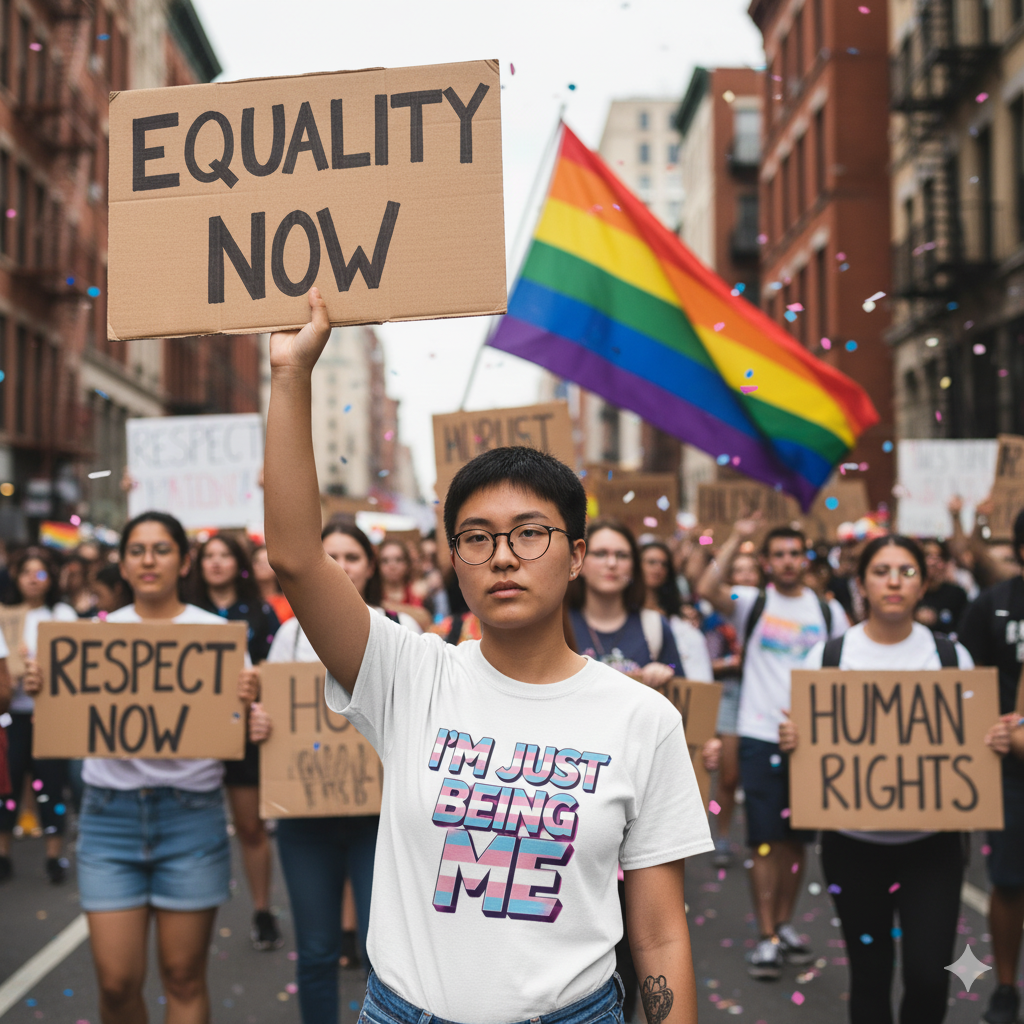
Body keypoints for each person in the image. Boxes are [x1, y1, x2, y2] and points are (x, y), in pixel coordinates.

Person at [263, 289, 712, 1024]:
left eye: (530, 533)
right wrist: (290, 376)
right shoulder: (409, 675)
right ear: (455, 561)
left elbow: (660, 935)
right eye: (477, 538)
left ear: (575, 556)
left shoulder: (644, 719)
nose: (503, 556)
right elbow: (296, 559)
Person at [21, 511, 258, 1024]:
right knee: (116, 984)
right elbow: (65, 716)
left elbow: (239, 729)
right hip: (109, 820)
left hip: (191, 818)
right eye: (137, 550)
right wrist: (45, 687)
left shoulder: (219, 637)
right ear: (123, 564)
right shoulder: (89, 638)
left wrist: (249, 707)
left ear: (184, 562)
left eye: (161, 549)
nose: (149, 560)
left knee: (184, 977)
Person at [780, 534, 1007, 1024]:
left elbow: (971, 740)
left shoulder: (951, 658)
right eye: (881, 571)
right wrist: (795, 738)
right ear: (861, 583)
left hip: (934, 847)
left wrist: (990, 740)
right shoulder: (827, 658)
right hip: (852, 847)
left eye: (906, 571)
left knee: (929, 976)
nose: (894, 582)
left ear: (924, 584)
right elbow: (808, 739)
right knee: (870, 975)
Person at [248, 521, 420, 1024]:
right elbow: (274, 706)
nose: (341, 567)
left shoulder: (401, 629)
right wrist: (261, 721)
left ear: (370, 566)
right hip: (306, 820)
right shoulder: (290, 634)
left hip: (380, 821)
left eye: (352, 556)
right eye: (331, 556)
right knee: (317, 951)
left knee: (383, 954)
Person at [698, 519, 848, 980]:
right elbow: (706, 588)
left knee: (797, 842)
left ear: (805, 559)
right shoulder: (752, 602)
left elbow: (846, 671)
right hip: (760, 734)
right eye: (778, 554)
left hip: (810, 739)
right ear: (766, 562)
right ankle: (765, 935)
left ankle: (784, 924)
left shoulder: (829, 612)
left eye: (794, 554)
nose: (787, 562)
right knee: (764, 839)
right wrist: (736, 536)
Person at [565, 521, 685, 1020]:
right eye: (602, 553)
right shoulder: (559, 620)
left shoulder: (655, 628)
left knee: (640, 943)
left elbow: (687, 717)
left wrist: (666, 682)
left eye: (622, 555)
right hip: (575, 805)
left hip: (638, 808)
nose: (611, 563)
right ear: (579, 559)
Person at [188, 532, 282, 951]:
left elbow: (277, 670)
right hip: (192, 735)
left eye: (224, 555)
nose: (216, 562)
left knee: (249, 827)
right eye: (208, 555)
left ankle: (262, 909)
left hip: (244, 734)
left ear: (238, 564)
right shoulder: (187, 611)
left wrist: (256, 677)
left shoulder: (261, 612)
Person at [959, 508, 1024, 1024]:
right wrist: (995, 731)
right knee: (1009, 879)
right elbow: (966, 683)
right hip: (1010, 765)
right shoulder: (992, 604)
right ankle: (1005, 986)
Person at [0, 546, 77, 883]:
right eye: (26, 573)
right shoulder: (6, 615)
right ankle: (3, 853)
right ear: (15, 578)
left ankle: (53, 856)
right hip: (13, 714)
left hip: (51, 717)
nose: (33, 579)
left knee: (51, 786)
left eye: (40, 573)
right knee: (8, 785)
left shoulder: (62, 614)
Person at [700, 548, 762, 869]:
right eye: (740, 570)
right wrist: (732, 662)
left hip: (763, 695)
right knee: (730, 775)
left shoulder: (767, 609)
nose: (747, 576)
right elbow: (706, 662)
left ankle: (763, 839)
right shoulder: (719, 616)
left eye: (752, 570)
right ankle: (722, 836)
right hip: (731, 693)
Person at [641, 541, 713, 682]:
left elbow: (677, 664)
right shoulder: (623, 614)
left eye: (664, 564)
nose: (658, 568)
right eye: (651, 562)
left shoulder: (679, 619)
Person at [914, 538, 968, 637]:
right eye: (928, 555)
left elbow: (964, 629)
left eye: (938, 557)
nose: (933, 562)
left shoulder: (957, 594)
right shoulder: (910, 592)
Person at [378, 538, 432, 631]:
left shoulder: (419, 593)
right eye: (385, 560)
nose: (392, 566)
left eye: (398, 560)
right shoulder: (371, 593)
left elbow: (428, 623)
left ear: (407, 564)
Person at [253, 543, 293, 624]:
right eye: (257, 561)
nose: (262, 566)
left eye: (267, 561)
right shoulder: (245, 603)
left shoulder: (290, 603)